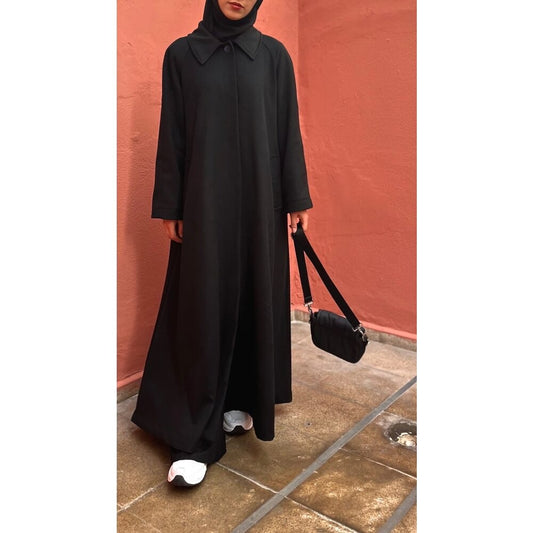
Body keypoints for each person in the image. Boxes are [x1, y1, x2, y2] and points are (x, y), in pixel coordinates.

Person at [131, 0, 313, 487]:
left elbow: (287, 130)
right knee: (201, 303)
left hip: (261, 203)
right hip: (203, 203)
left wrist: (297, 196)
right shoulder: (181, 55)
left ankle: (239, 398)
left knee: (254, 293)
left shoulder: (273, 57)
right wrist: (170, 204)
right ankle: (194, 436)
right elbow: (172, 134)